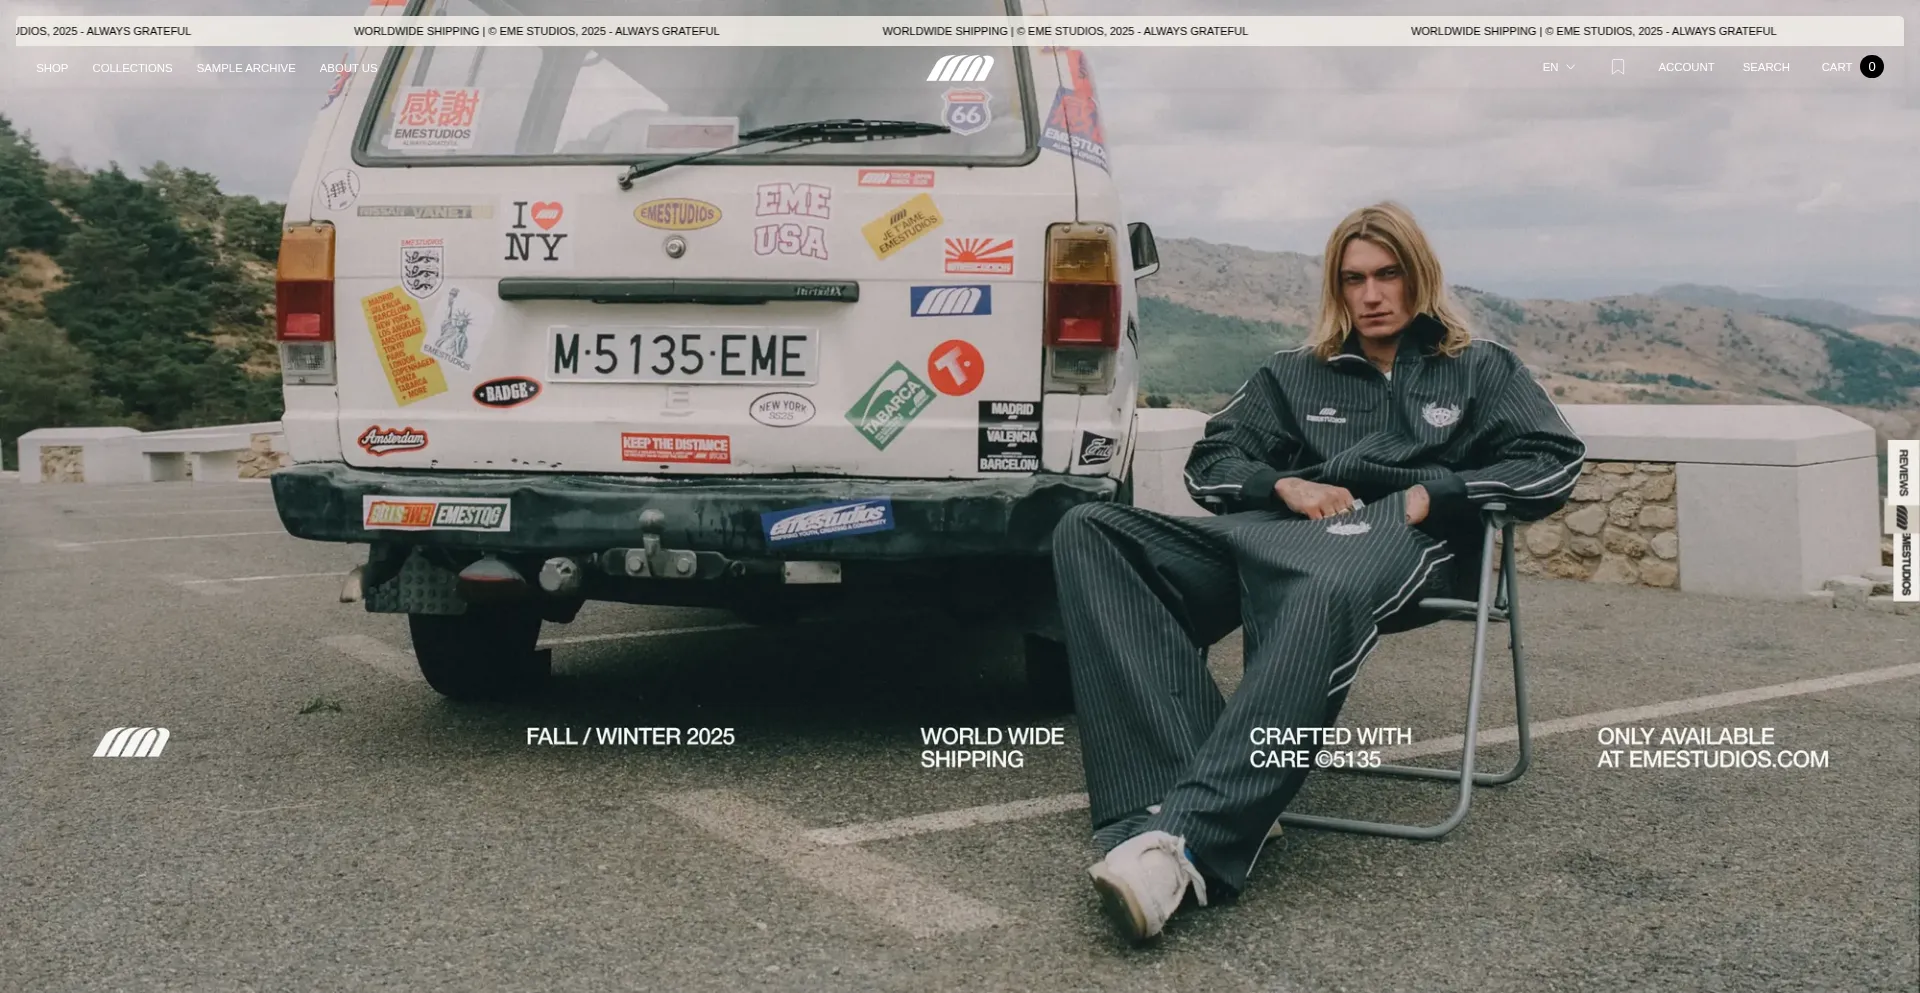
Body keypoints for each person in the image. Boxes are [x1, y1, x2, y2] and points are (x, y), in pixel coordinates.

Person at [1052, 201, 1586, 943]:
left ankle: (1188, 847)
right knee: (1093, 531)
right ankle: (1166, 798)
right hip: (1288, 530)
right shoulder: (1295, 373)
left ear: (1420, 276)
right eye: (1354, 279)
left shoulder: (1480, 367)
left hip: (1411, 539)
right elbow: (1213, 459)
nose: (1372, 295)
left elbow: (1553, 460)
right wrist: (1283, 485)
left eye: (1388, 275)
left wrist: (1439, 495)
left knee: (1323, 577)